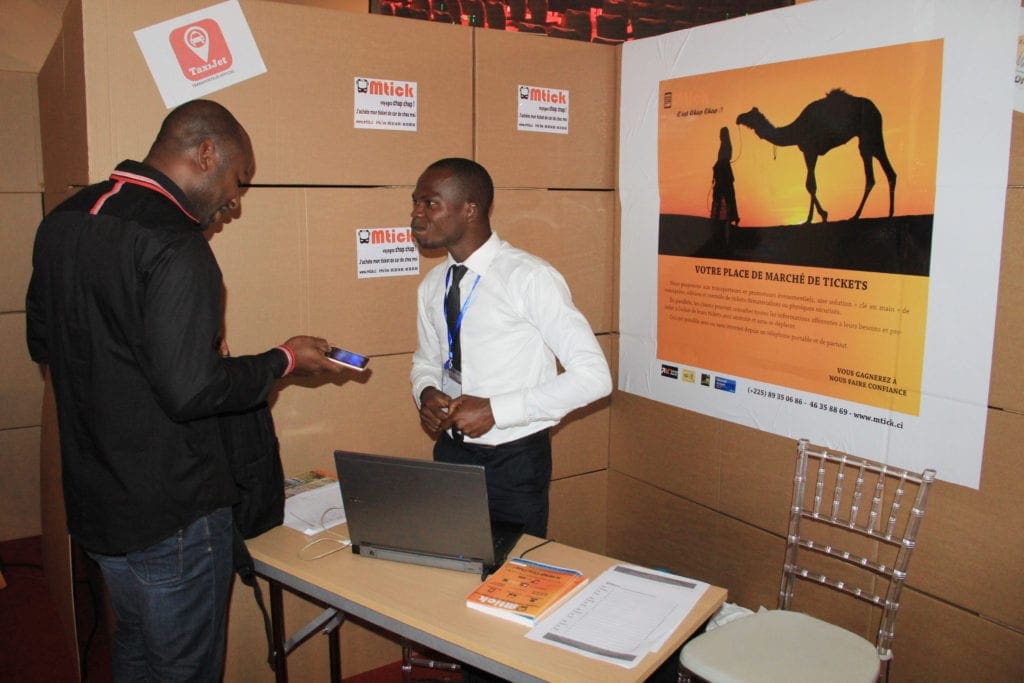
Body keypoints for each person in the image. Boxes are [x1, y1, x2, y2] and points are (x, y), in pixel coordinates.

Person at [25, 99, 350, 682]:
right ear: (205, 154)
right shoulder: (177, 244)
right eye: (237, 180)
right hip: (171, 514)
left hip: (97, 500)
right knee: (182, 669)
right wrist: (282, 360)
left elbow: (44, 346)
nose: (235, 201)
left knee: (134, 647)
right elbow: (191, 392)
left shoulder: (64, 220)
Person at [410, 157, 612, 538]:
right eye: (415, 203)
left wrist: (496, 410)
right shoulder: (433, 285)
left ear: (469, 209)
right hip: (451, 453)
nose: (416, 215)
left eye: (429, 203)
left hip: (513, 461)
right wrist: (426, 391)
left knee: (510, 570)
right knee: (448, 561)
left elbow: (595, 377)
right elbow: (425, 361)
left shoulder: (529, 278)